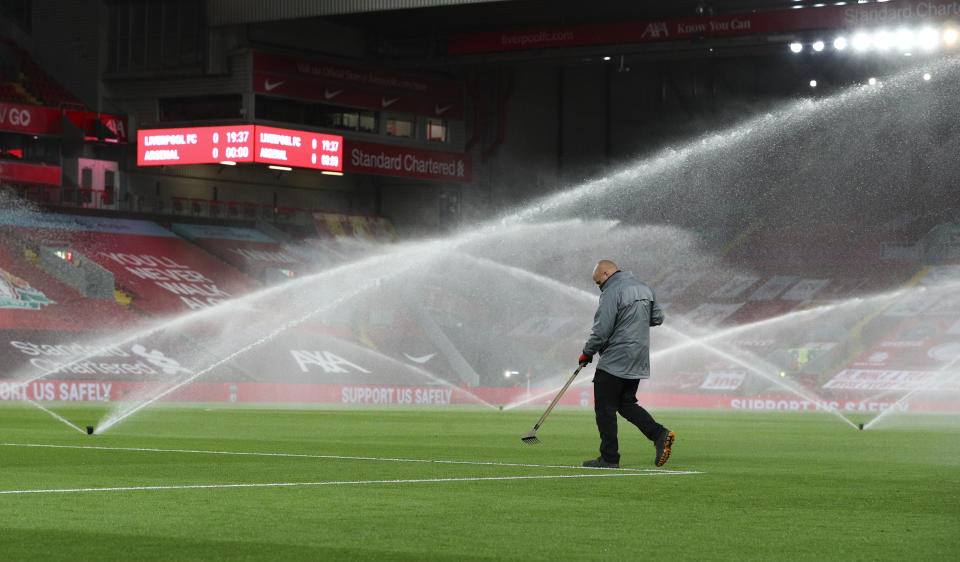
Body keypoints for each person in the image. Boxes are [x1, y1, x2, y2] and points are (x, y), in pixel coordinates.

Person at [578, 259, 674, 468]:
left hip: (616, 357)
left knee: (605, 408)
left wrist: (587, 353)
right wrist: (633, 320)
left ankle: (609, 458)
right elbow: (657, 318)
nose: (600, 287)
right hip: (638, 357)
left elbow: (602, 330)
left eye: (599, 283)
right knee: (625, 403)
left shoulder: (612, 291)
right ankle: (659, 434)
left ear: (605, 275)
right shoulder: (644, 287)